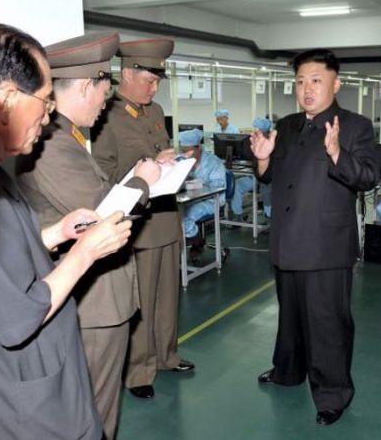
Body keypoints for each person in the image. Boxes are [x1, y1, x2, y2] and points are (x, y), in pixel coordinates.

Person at [15, 31, 161, 439]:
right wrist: (143, 182)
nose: (105, 102)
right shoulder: (52, 144)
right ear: (85, 87)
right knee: (95, 411)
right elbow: (101, 214)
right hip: (93, 305)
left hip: (93, 297)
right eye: (103, 90)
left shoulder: (67, 137)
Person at [0, 24, 133, 439]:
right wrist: (84, 253)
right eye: (45, 100)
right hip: (24, 390)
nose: (48, 115)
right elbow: (15, 319)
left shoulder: (0, 176)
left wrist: (54, 234)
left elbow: (5, 262)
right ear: (6, 98)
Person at [250, 48, 378, 426]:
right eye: (301, 81)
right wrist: (262, 158)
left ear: (336, 85)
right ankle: (287, 371)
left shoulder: (355, 126)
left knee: (327, 324)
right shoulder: (288, 125)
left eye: (316, 81)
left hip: (326, 246)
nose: (307, 89)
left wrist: (337, 153)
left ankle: (333, 394)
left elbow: (368, 178)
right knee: (289, 317)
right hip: (287, 240)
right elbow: (271, 176)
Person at [91, 38, 195, 401]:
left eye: (157, 82)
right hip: (138, 225)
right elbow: (103, 177)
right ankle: (138, 371)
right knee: (143, 302)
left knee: (167, 299)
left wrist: (167, 160)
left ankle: (167, 355)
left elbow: (155, 152)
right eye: (149, 81)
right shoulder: (106, 115)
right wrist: (141, 170)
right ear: (127, 74)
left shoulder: (154, 111)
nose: (154, 88)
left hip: (165, 218)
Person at [178, 128, 226, 256]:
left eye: (189, 150)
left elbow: (219, 186)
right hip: (188, 199)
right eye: (183, 150)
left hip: (211, 200)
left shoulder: (213, 162)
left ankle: (197, 240)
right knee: (169, 216)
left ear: (198, 147)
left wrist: (197, 185)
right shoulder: (181, 160)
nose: (186, 154)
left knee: (184, 218)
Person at [230, 117, 272, 222]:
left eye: (257, 129)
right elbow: (246, 156)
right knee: (237, 185)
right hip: (254, 176)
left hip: (269, 178)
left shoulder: (272, 142)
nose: (254, 132)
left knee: (266, 187)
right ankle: (238, 215)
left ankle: (269, 217)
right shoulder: (252, 141)